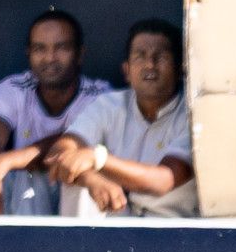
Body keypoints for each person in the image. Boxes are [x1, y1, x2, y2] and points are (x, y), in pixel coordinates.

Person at [0, 10, 111, 215]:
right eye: (40, 48)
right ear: (29, 53)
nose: (50, 57)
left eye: (61, 48)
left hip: (75, 192)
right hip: (23, 194)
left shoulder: (100, 95)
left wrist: (4, 162)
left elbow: (66, 142)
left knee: (42, 177)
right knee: (17, 180)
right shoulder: (13, 87)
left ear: (79, 54)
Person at [46, 19, 198, 217]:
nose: (150, 65)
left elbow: (163, 180)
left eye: (161, 57)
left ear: (181, 70)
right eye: (140, 56)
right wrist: (90, 178)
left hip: (171, 230)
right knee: (77, 182)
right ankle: (79, 249)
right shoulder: (109, 105)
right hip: (116, 217)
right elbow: (61, 151)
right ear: (126, 71)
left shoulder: (192, 116)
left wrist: (97, 158)